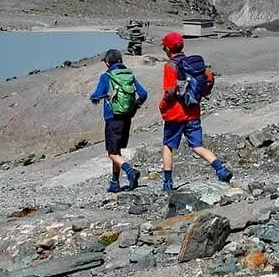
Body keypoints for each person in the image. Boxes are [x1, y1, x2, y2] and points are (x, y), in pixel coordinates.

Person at [158, 32, 232, 191]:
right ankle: (220, 169)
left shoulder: (170, 66)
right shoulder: (194, 64)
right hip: (193, 112)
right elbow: (209, 78)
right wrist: (203, 93)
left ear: (168, 48)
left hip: (175, 115)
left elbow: (170, 91)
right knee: (198, 146)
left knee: (168, 146)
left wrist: (162, 106)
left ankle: (168, 182)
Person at [89, 49, 147, 193]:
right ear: (120, 61)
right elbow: (143, 94)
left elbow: (97, 94)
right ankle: (115, 183)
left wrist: (95, 98)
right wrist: (135, 106)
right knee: (117, 150)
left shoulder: (106, 76)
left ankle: (130, 171)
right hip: (127, 117)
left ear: (108, 62)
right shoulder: (129, 74)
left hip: (113, 118)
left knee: (112, 153)